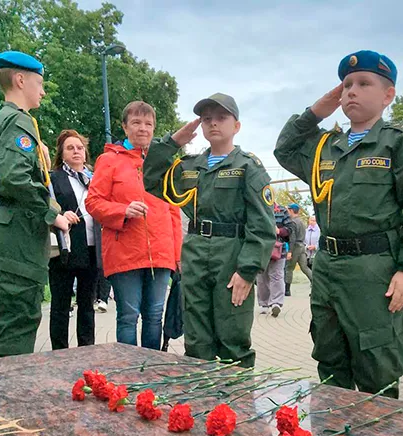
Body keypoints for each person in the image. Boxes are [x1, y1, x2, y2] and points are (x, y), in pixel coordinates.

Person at [275, 50, 403, 398]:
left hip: (373, 270)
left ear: (388, 95)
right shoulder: (324, 147)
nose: (351, 91)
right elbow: (285, 149)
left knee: (377, 366)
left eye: (364, 83)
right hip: (328, 269)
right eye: (347, 84)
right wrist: (317, 110)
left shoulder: (399, 141)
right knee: (330, 361)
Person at [145, 93, 275, 367]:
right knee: (196, 339)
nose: (213, 124)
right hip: (195, 251)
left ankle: (236, 406)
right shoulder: (190, 167)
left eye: (221, 118)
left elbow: (262, 224)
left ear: (236, 125)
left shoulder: (248, 167)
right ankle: (202, 406)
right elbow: (151, 180)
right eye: (207, 119)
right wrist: (172, 143)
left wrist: (248, 270)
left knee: (233, 337)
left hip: (231, 254)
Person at [0, 51, 70, 357]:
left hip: (10, 225)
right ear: (20, 80)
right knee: (20, 315)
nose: (43, 91)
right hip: (19, 228)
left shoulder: (3, 120)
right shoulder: (19, 121)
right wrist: (51, 214)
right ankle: (10, 395)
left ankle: (2, 387)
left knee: (10, 314)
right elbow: (15, 178)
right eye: (40, 83)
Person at [87, 103, 183, 350]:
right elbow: (93, 202)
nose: (143, 128)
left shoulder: (164, 163)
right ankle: (128, 375)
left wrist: (177, 255)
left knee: (154, 316)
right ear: (124, 126)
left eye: (148, 124)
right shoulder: (109, 160)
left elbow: (173, 209)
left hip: (161, 253)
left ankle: (150, 373)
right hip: (124, 253)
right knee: (128, 317)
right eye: (137, 123)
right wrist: (122, 210)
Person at [45, 129, 105, 350]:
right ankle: (59, 351)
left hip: (91, 247)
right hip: (65, 248)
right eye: (70, 148)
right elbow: (45, 207)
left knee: (87, 304)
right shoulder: (53, 179)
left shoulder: (94, 178)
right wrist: (59, 216)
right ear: (61, 153)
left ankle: (86, 349)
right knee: (60, 304)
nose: (76, 151)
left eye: (79, 147)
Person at [257, 213, 288, 316]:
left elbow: (290, 230)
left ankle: (276, 303)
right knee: (261, 277)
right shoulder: (258, 207)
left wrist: (279, 231)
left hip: (279, 250)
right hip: (261, 249)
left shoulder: (283, 212)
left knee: (277, 276)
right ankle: (264, 304)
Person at [284, 203, 312, 296]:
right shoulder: (301, 222)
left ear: (291, 210)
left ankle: (287, 290)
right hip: (302, 246)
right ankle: (316, 284)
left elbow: (292, 238)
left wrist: (289, 251)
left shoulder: (292, 222)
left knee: (289, 268)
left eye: (288, 210)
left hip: (295, 246)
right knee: (304, 268)